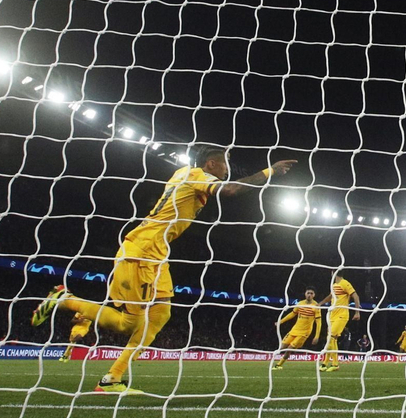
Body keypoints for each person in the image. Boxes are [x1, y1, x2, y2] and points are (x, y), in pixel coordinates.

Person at [33, 145, 295, 394]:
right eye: (224, 164)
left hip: (156, 254)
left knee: (160, 313)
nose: (227, 169)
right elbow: (230, 191)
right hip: (142, 251)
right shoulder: (196, 174)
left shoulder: (183, 173)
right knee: (128, 324)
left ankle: (112, 378)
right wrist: (269, 171)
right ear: (211, 163)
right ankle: (66, 300)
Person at [272, 287, 322, 369]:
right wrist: (280, 322)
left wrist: (316, 336)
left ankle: (278, 365)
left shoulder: (316, 306)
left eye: (311, 293)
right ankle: (273, 362)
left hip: (304, 332)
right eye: (308, 293)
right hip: (294, 330)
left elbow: (319, 322)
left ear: (314, 295)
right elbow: (292, 314)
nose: (309, 295)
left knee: (289, 349)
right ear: (305, 293)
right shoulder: (300, 303)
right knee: (281, 347)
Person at [322, 271, 361, 372]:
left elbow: (356, 296)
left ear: (333, 273)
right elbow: (331, 296)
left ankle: (334, 364)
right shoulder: (334, 285)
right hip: (332, 316)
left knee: (331, 337)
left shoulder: (345, 283)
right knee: (331, 339)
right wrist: (320, 303)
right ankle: (325, 364)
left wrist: (357, 312)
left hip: (342, 315)